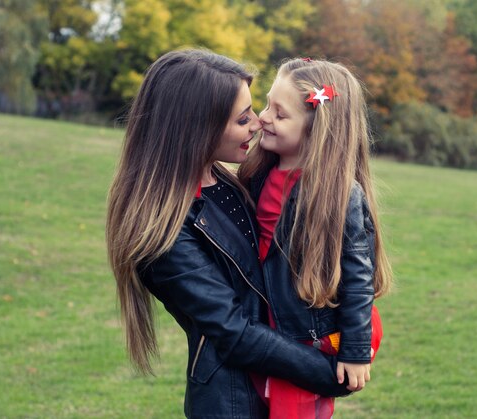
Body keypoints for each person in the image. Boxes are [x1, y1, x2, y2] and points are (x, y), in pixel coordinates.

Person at [105, 49, 351, 419]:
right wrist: (330, 374)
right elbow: (234, 331)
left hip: (280, 387)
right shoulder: (162, 230)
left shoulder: (229, 181)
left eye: (254, 110)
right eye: (242, 118)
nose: (257, 123)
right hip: (235, 403)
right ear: (195, 128)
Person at [238, 58, 393, 418]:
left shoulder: (337, 193)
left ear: (317, 128)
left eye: (280, 113)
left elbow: (358, 276)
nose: (263, 117)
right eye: (267, 105)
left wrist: (354, 350)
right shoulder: (259, 171)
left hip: (307, 335)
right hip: (269, 324)